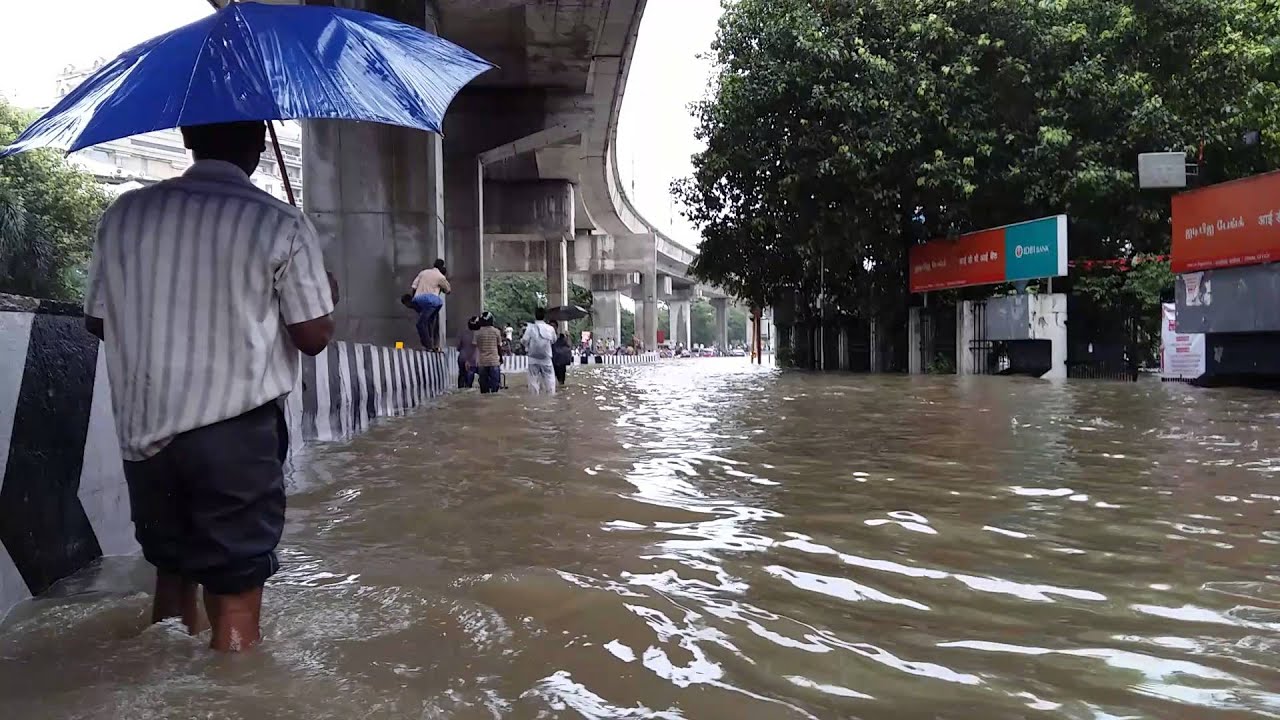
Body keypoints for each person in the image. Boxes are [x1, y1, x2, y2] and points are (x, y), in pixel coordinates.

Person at [83, 120, 337, 652]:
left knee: (172, 573)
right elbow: (312, 336)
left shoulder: (124, 214)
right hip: (235, 435)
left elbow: (99, 321)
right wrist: (326, 292)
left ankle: (165, 679)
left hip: (145, 432)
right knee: (237, 591)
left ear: (186, 139)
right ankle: (233, 697)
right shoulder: (279, 221)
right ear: (260, 144)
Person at [409, 258, 450, 351]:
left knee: (424, 322)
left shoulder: (423, 272)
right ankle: (429, 345)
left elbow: (414, 287)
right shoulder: (440, 277)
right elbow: (448, 290)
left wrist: (414, 300)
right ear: (442, 267)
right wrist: (443, 280)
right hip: (433, 302)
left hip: (419, 300)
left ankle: (429, 344)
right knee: (425, 323)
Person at [522, 308, 558, 394]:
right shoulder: (550, 329)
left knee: (533, 380)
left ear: (535, 315)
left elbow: (524, 340)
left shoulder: (530, 328)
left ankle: (535, 400)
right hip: (546, 359)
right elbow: (554, 340)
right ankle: (551, 398)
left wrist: (527, 346)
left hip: (533, 359)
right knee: (550, 380)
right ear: (545, 316)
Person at [474, 311, 505, 394]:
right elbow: (499, 347)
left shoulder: (477, 333)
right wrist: (501, 358)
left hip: (482, 362)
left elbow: (476, 348)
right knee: (495, 391)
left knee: (484, 391)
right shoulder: (496, 331)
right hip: (494, 361)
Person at [457, 315, 480, 389]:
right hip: (473, 360)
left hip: (462, 358)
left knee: (462, 375)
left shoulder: (463, 333)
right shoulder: (479, 334)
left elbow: (458, 347)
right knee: (469, 383)